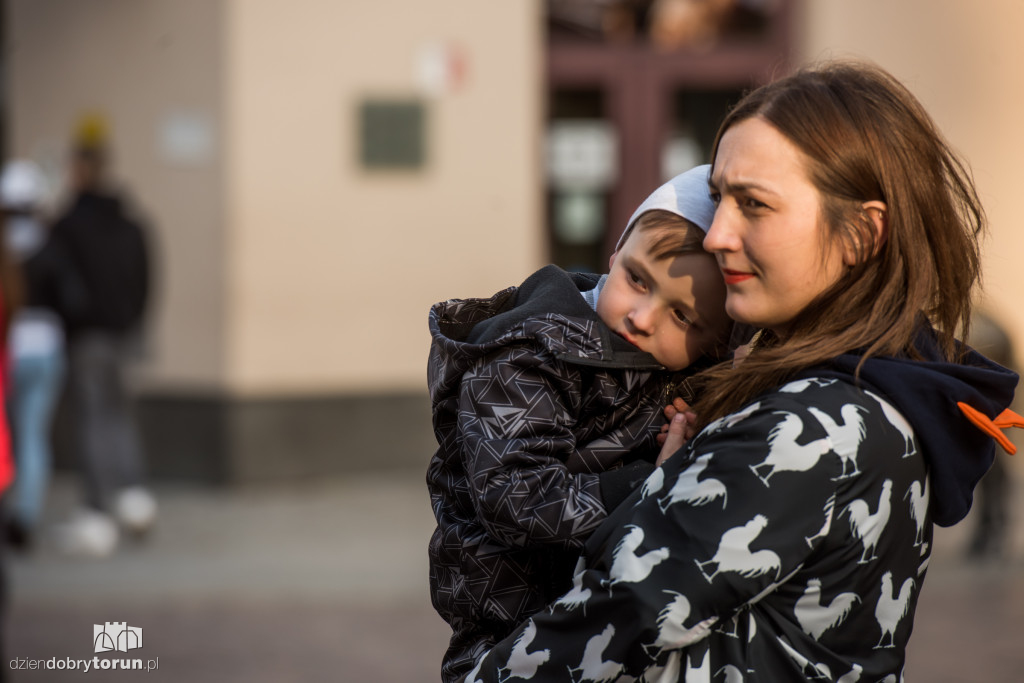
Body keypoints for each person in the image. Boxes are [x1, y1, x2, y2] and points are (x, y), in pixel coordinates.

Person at [458, 60, 1020, 682]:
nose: (718, 233)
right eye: (720, 196)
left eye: (753, 204)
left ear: (861, 233)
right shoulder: (884, 385)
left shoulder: (810, 429)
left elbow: (589, 639)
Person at [427, 165, 733, 682]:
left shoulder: (681, 372)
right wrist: (648, 483)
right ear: (614, 254)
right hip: (510, 616)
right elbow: (513, 498)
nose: (643, 317)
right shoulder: (527, 356)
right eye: (637, 279)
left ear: (713, 342)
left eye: (682, 317)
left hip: (604, 612)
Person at [49, 137, 156, 557]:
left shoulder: (69, 224)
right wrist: (134, 320)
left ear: (81, 170)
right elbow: (148, 276)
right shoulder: (130, 222)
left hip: (89, 334)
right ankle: (134, 498)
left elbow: (53, 279)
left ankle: (97, 511)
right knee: (119, 415)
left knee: (93, 420)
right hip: (124, 333)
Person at [0, 159, 67, 551]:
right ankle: (26, 513)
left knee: (11, 436)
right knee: (33, 436)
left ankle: (13, 510)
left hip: (12, 351)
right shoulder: (49, 244)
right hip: (46, 347)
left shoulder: (6, 250)